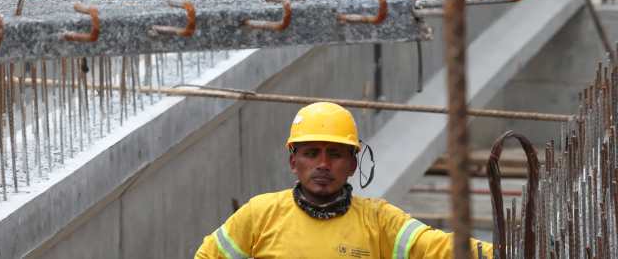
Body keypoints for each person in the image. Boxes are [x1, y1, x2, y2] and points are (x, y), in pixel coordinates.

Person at [195, 102, 492, 258]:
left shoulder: (379, 222)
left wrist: (504, 254)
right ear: (293, 162)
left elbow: (437, 249)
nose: (323, 164)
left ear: (352, 164)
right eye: (312, 153)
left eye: (335, 154)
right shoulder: (260, 215)